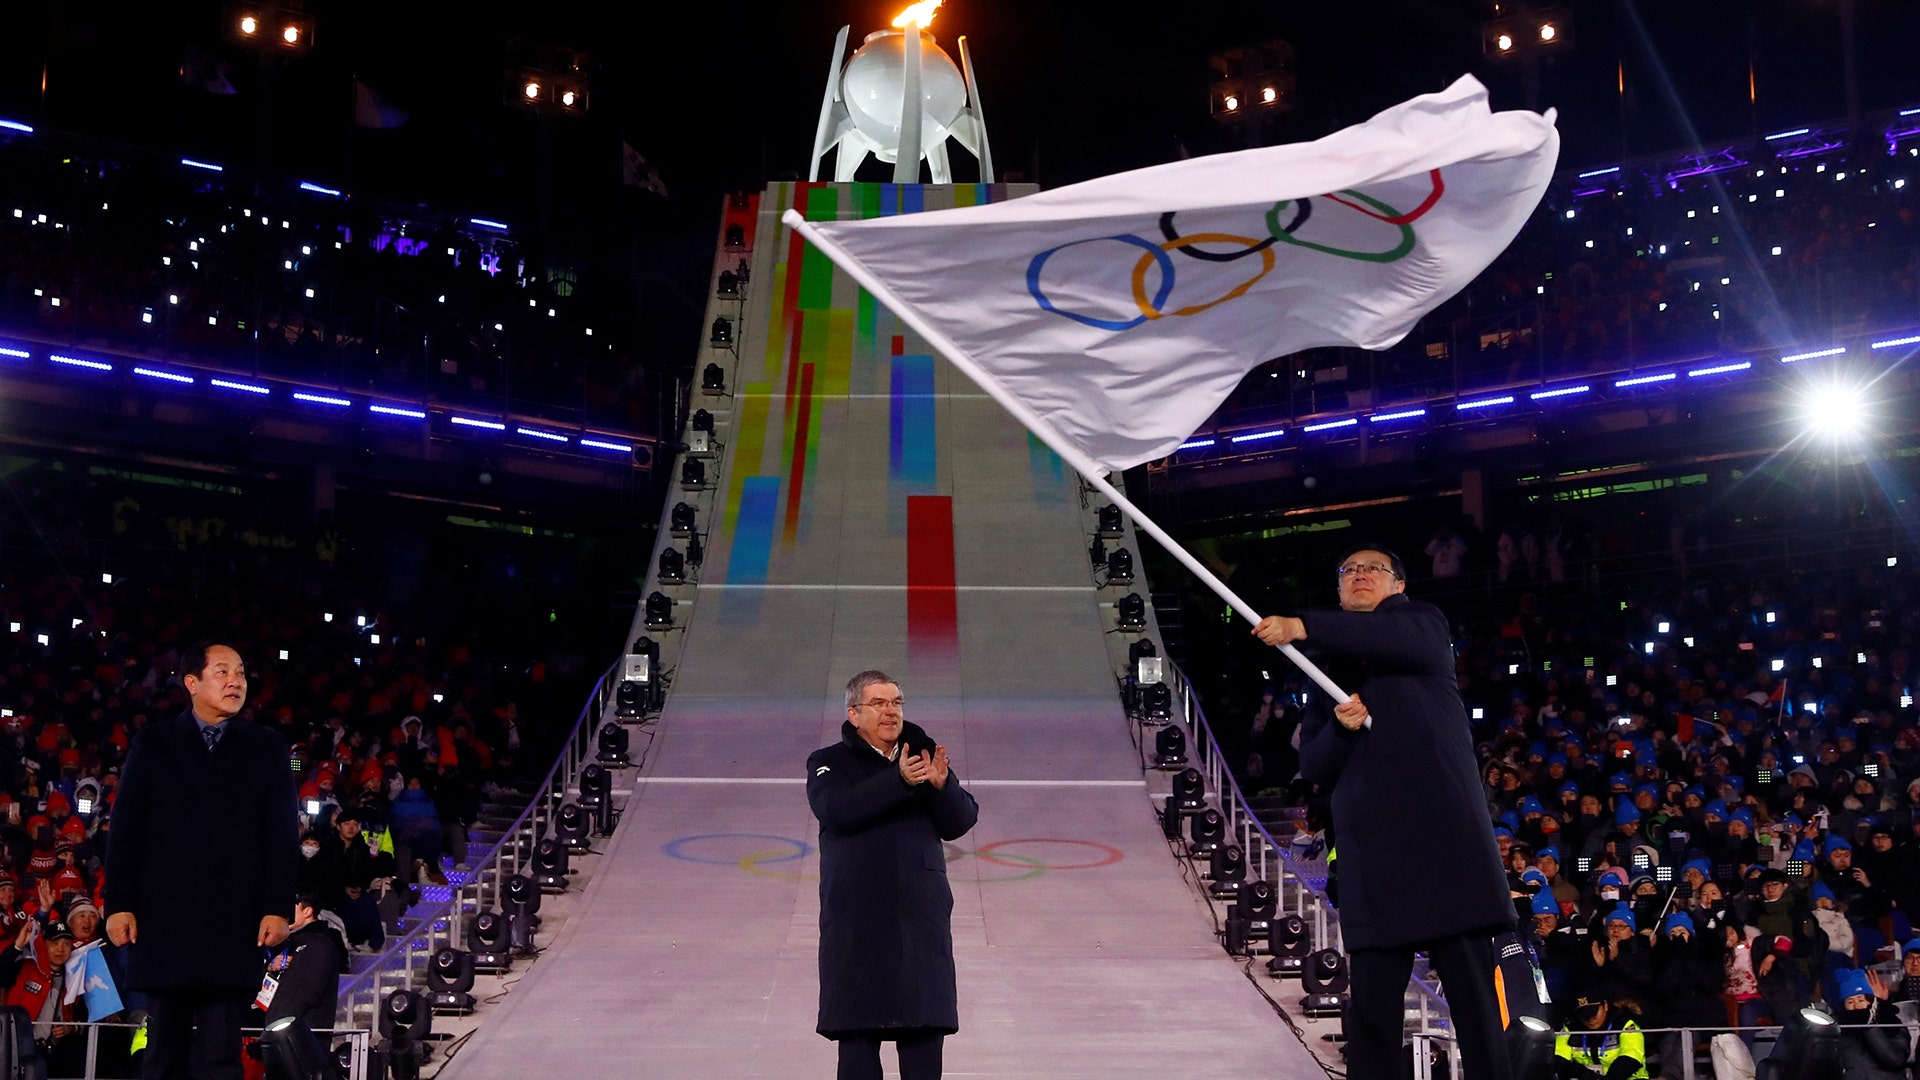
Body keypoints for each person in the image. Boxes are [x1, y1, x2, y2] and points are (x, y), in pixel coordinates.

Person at [1254, 545, 1516, 1079]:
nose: (1359, 575)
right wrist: (1344, 731)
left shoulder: (1420, 624)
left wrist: (1302, 625)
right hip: (1373, 856)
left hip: (1444, 844)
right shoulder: (1324, 668)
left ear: (1398, 584)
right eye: (1347, 570)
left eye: (1372, 568)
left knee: (1476, 1011)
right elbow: (1315, 762)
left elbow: (1394, 640)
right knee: (1371, 1018)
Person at [103, 641, 299, 1080]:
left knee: (221, 1058)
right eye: (223, 672)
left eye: (242, 673)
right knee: (161, 1057)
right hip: (164, 922)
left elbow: (282, 836)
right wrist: (118, 903)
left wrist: (277, 907)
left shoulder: (267, 747)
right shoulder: (153, 743)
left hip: (235, 925)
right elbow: (127, 829)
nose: (236, 681)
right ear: (192, 683)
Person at [806, 670, 978, 1080]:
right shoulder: (828, 762)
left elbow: (961, 821)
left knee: (923, 1045)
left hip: (919, 923)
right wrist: (896, 781)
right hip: (857, 925)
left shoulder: (922, 756)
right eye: (879, 703)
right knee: (858, 1051)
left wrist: (942, 788)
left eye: (897, 702)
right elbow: (837, 812)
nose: (891, 711)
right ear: (854, 713)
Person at [262, 890, 348, 1036]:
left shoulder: (320, 943)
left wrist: (276, 1024)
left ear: (307, 911)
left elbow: (307, 992)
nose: (284, 914)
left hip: (299, 1038)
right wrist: (270, 967)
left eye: (290, 907)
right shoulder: (286, 943)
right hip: (279, 1032)